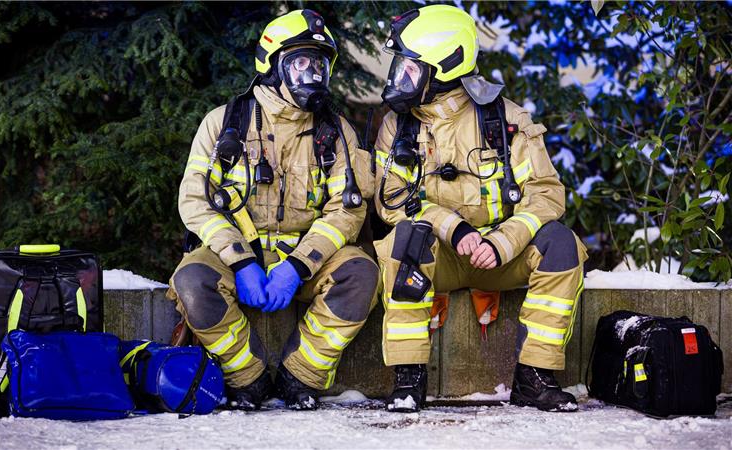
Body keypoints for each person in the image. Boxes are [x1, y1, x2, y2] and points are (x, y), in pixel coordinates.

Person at [374, 4, 588, 413]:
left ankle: (535, 378)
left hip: (500, 259)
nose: (398, 78)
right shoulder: (398, 127)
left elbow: (546, 193)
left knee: (561, 244)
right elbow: (392, 202)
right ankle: (408, 378)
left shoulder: (506, 121)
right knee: (404, 240)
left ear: (443, 66)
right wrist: (454, 229)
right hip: (439, 259)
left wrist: (504, 242)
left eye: (409, 68)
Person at [167, 9, 377, 411]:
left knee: (361, 271)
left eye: (319, 65)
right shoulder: (224, 124)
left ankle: (301, 376)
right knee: (192, 280)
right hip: (236, 254)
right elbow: (195, 200)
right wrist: (241, 262)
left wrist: (297, 266)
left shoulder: (335, 132)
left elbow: (347, 212)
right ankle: (247, 378)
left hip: (305, 260)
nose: (312, 75)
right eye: (300, 64)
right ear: (272, 65)